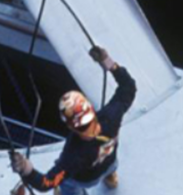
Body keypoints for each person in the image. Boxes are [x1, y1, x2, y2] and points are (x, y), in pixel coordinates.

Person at [9, 46, 136, 195]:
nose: (88, 131)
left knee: (67, 185)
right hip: (110, 162)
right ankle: (110, 178)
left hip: (86, 179)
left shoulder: (73, 155)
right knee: (110, 164)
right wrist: (108, 62)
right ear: (90, 109)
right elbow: (128, 87)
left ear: (71, 127)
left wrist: (26, 169)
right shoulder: (112, 115)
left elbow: (47, 183)